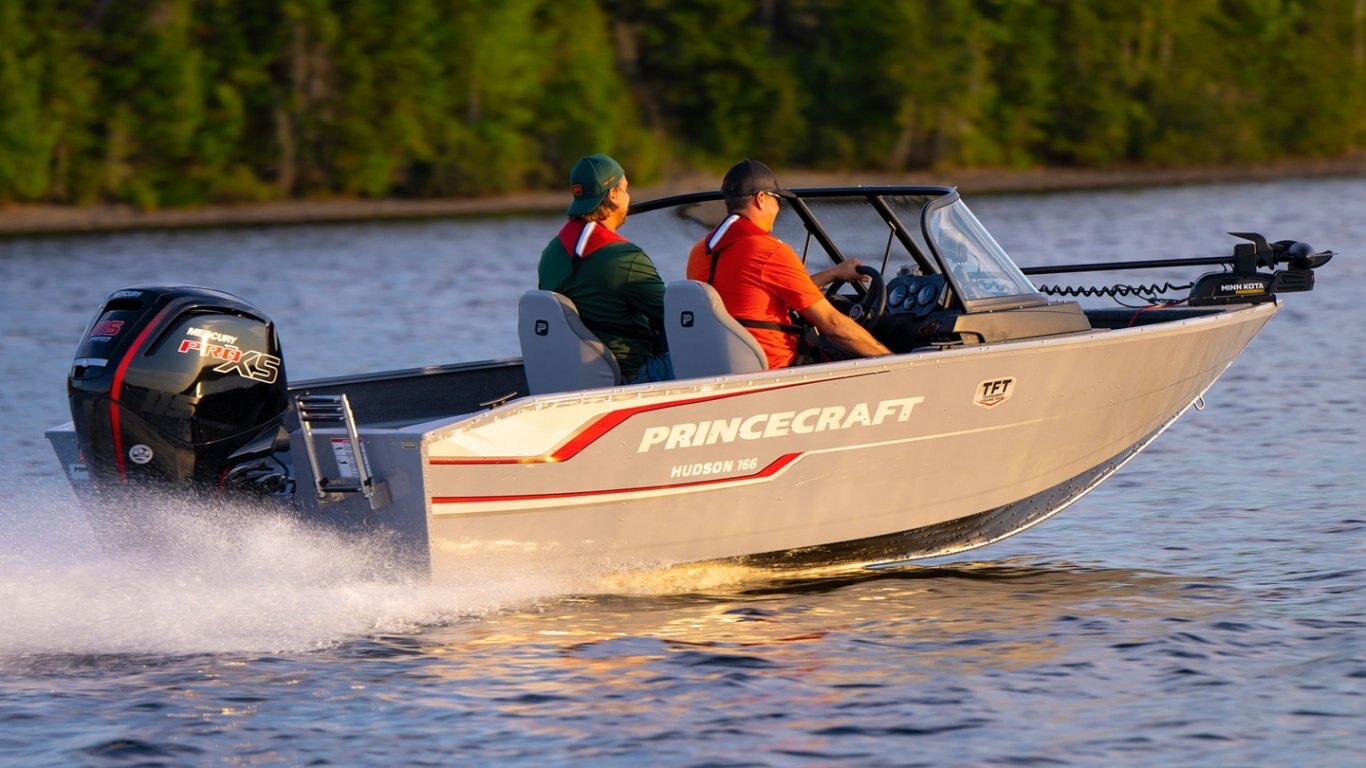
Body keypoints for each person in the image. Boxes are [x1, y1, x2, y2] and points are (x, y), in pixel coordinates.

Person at [686, 159, 891, 369]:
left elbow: (761, 292)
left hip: (720, 365)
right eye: (778, 200)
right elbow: (833, 325)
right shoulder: (768, 250)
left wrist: (834, 273)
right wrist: (892, 360)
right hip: (776, 367)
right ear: (761, 199)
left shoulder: (700, 251)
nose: (778, 208)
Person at [538, 154, 672, 383]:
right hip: (629, 375)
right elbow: (675, 315)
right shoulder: (625, 258)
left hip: (574, 374)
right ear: (613, 195)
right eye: (626, 189)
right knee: (707, 359)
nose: (629, 197)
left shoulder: (551, 251)